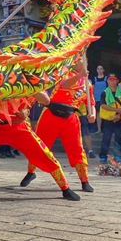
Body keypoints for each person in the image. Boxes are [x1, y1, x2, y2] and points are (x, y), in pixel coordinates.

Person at [23, 57, 96, 193]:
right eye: (78, 60)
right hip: (51, 114)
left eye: (82, 60)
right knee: (39, 145)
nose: (80, 62)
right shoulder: (63, 72)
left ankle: (84, 181)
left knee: (77, 149)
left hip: (70, 118)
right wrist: (80, 75)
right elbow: (64, 85)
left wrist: (93, 115)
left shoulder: (89, 85)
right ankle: (31, 172)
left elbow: (91, 103)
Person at [99, 73, 121, 163]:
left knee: (119, 137)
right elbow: (103, 105)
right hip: (108, 119)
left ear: (117, 81)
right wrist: (116, 110)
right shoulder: (105, 92)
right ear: (107, 81)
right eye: (110, 80)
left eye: (114, 79)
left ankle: (117, 156)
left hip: (119, 119)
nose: (112, 81)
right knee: (106, 138)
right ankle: (103, 156)